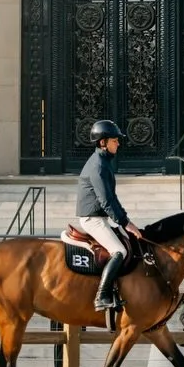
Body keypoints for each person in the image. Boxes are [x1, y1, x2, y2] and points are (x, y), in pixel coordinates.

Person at [74, 117, 143, 311]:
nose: (118, 143)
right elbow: (106, 201)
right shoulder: (98, 166)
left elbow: (112, 198)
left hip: (100, 217)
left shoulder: (103, 162)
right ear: (103, 142)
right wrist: (125, 222)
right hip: (92, 219)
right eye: (115, 140)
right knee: (119, 251)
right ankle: (101, 296)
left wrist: (124, 220)